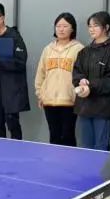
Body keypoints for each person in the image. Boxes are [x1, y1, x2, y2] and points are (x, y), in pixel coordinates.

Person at [72, 11, 110, 151]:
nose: (91, 29)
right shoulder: (85, 51)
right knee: (86, 148)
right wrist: (80, 80)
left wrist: (91, 87)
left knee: (101, 148)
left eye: (96, 25)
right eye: (89, 26)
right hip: (84, 107)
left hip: (103, 109)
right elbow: (76, 71)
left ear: (106, 27)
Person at [35, 12, 84, 146]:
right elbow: (41, 74)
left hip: (69, 101)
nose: (61, 29)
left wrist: (78, 96)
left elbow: (82, 75)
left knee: (68, 136)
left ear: (72, 29)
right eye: (58, 26)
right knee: (54, 136)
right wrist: (40, 94)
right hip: (49, 101)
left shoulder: (79, 49)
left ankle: (70, 160)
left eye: (65, 26)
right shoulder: (47, 49)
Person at [0, 2, 30, 140]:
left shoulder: (14, 37)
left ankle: (16, 151)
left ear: (1, 18)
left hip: (11, 89)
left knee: (12, 124)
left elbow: (21, 63)